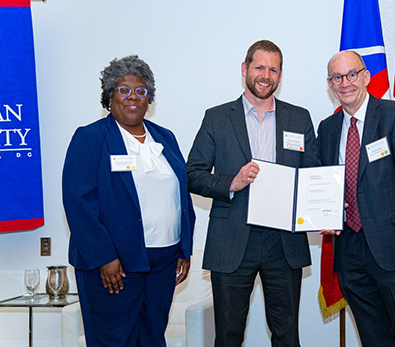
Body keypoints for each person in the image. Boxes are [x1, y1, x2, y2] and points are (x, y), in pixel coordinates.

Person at [187, 40, 319, 347]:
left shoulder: (299, 118)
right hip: (232, 241)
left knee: (287, 335)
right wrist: (230, 182)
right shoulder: (217, 118)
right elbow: (192, 174)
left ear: (280, 75)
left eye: (273, 69)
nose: (266, 75)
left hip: (283, 243)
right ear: (245, 69)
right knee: (229, 336)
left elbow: (312, 175)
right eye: (260, 67)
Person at [62, 55, 195, 346]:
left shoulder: (165, 138)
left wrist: (184, 247)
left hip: (163, 262)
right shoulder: (91, 138)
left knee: (152, 338)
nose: (132, 97)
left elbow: (180, 195)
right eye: (123, 90)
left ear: (150, 98)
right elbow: (78, 202)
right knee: (114, 340)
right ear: (109, 97)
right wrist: (104, 257)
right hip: (115, 265)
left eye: (141, 90)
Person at [317, 50, 395, 346]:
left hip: (394, 246)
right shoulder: (327, 129)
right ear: (330, 84)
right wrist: (323, 213)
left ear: (366, 76)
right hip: (348, 250)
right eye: (337, 77)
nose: (345, 83)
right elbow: (323, 182)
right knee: (372, 337)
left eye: (351, 74)